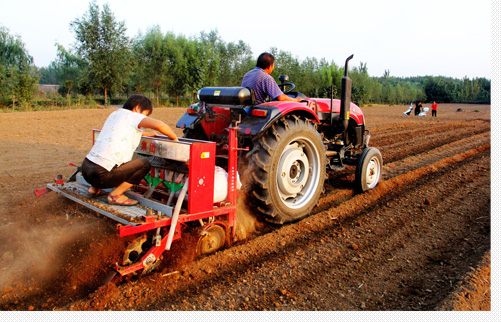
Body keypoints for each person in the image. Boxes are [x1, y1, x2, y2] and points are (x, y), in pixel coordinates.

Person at [81, 94, 178, 206]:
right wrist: (174, 139)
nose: (144, 118)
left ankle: (94, 188)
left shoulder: (115, 114)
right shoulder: (134, 116)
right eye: (145, 114)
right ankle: (115, 195)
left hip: (86, 170)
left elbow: (126, 130)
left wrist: (148, 134)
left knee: (106, 157)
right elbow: (160, 125)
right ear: (137, 108)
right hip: (102, 175)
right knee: (145, 164)